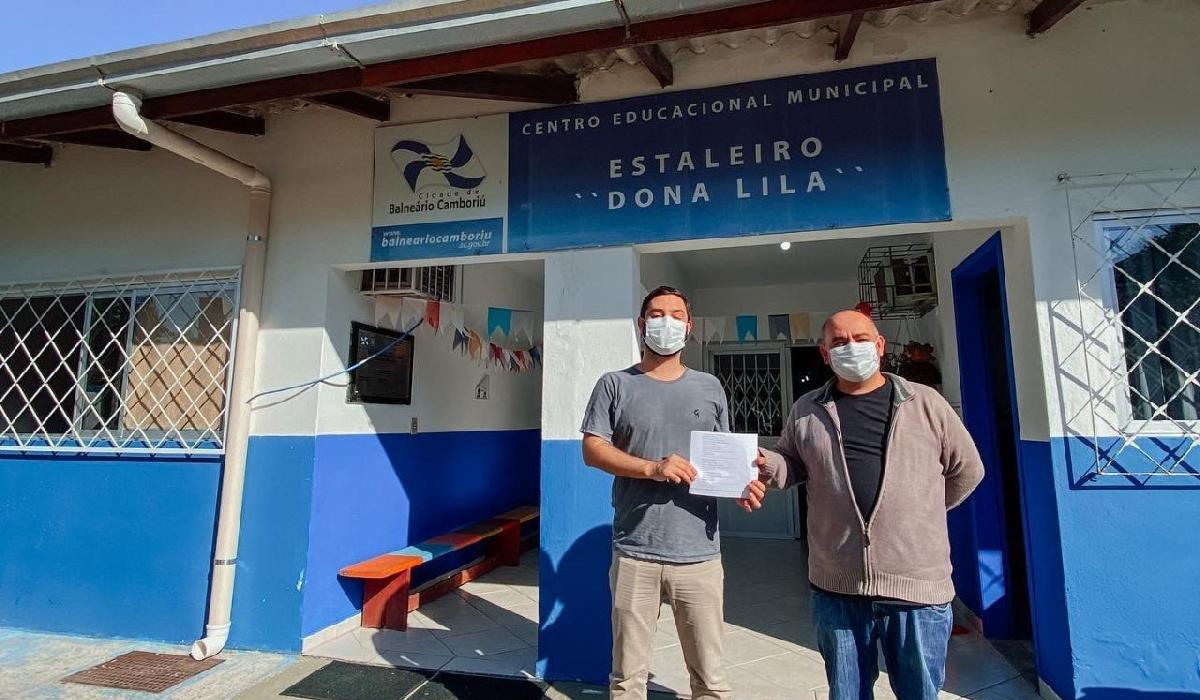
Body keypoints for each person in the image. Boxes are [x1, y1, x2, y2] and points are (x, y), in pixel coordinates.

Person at [759, 309, 985, 700]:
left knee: (920, 693)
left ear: (879, 346)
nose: (852, 348)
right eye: (839, 342)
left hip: (916, 588)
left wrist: (922, 513)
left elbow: (968, 469)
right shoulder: (808, 409)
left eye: (860, 339)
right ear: (825, 353)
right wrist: (765, 465)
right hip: (838, 587)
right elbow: (790, 462)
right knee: (847, 693)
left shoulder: (926, 403)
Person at [580, 285, 766, 700]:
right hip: (635, 553)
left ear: (689, 326)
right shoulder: (614, 384)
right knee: (627, 679)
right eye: (657, 314)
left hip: (699, 556)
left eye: (676, 314)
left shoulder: (709, 386)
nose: (667, 322)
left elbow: (722, 458)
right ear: (641, 323)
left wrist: (742, 485)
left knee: (710, 681)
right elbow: (592, 449)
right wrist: (652, 468)